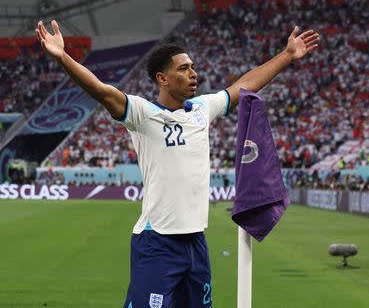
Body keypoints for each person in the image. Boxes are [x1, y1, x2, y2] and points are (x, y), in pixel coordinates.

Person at [35, 20, 319, 308]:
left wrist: (287, 55)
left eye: (192, 67)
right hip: (157, 242)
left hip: (196, 241)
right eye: (183, 69)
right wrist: (63, 57)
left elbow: (242, 87)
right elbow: (101, 90)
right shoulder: (142, 114)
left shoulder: (201, 109)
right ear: (163, 79)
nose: (193, 73)